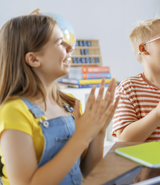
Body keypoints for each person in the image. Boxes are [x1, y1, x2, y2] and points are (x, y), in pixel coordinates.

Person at [0, 14, 119, 185]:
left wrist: (99, 130)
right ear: (33, 59)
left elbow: (86, 171)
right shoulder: (14, 111)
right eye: (60, 43)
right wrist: (82, 137)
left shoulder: (69, 104)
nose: (70, 47)